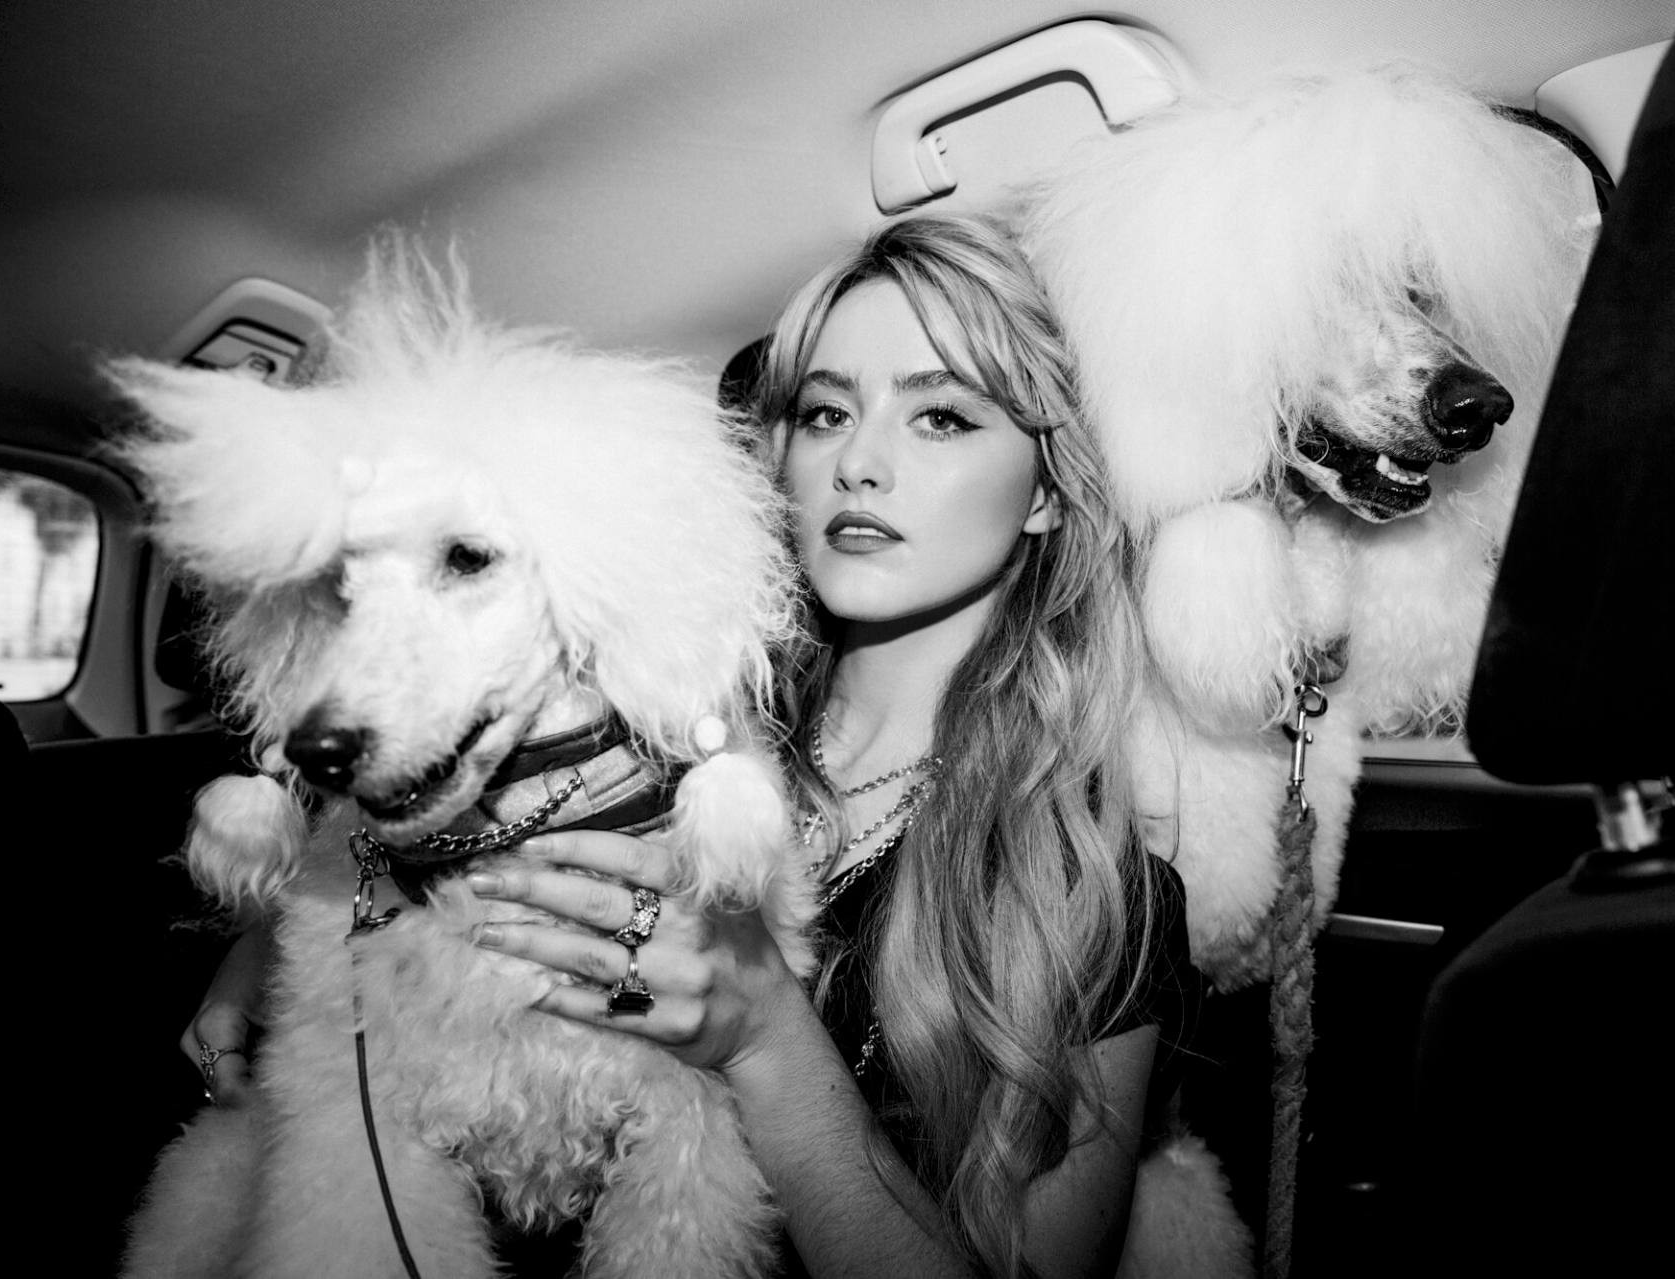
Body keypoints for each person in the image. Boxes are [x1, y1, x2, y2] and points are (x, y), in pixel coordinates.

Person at [185, 212, 1195, 1278]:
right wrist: (272, 960)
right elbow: (400, 828)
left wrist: (766, 1038)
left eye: (941, 416)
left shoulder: (1096, 900)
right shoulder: (638, 711)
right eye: (825, 412)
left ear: (1046, 492)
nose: (859, 463)